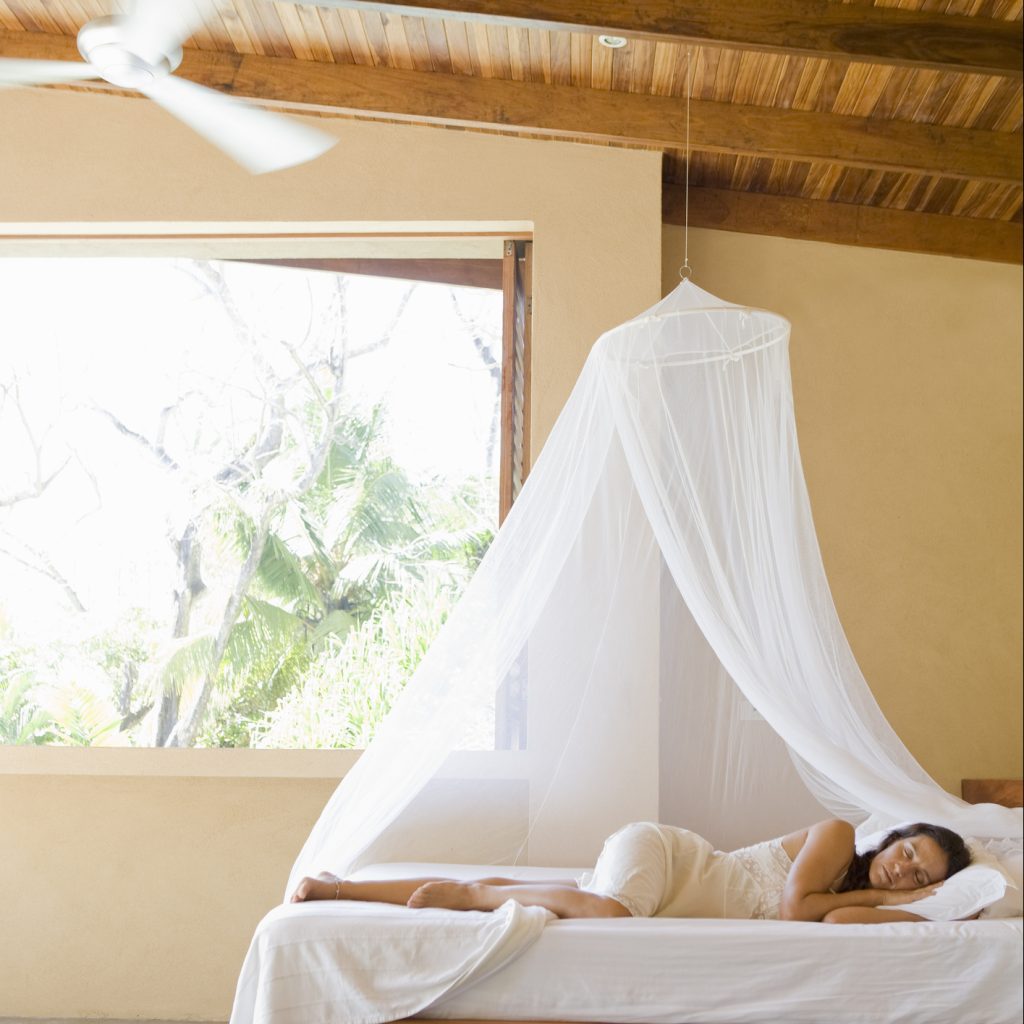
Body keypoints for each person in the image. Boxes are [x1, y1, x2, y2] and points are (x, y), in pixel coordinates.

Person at [289, 818, 971, 925]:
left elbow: (841, 918)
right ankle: (471, 894)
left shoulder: (855, 902)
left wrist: (915, 903)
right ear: (894, 838)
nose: (903, 872)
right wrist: (899, 899)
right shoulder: (840, 836)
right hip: (669, 858)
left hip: (667, 893)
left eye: (921, 877)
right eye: (910, 853)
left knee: (572, 899)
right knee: (611, 914)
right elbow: (798, 910)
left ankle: (337, 887)